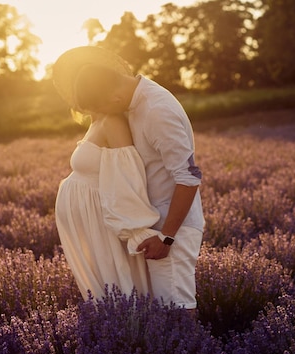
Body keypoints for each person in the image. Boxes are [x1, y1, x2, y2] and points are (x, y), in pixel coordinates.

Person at [53, 46, 204, 312]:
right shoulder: (137, 100)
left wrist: (167, 236)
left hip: (171, 226)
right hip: (155, 226)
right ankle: (174, 353)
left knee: (177, 308)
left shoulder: (157, 109)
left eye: (99, 108)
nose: (99, 116)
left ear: (114, 97)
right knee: (164, 309)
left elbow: (189, 177)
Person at [54, 56, 161, 302]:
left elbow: (128, 177)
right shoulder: (97, 120)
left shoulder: (113, 122)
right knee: (106, 283)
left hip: (101, 218)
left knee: (118, 281)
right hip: (90, 218)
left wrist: (137, 230)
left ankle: (130, 332)